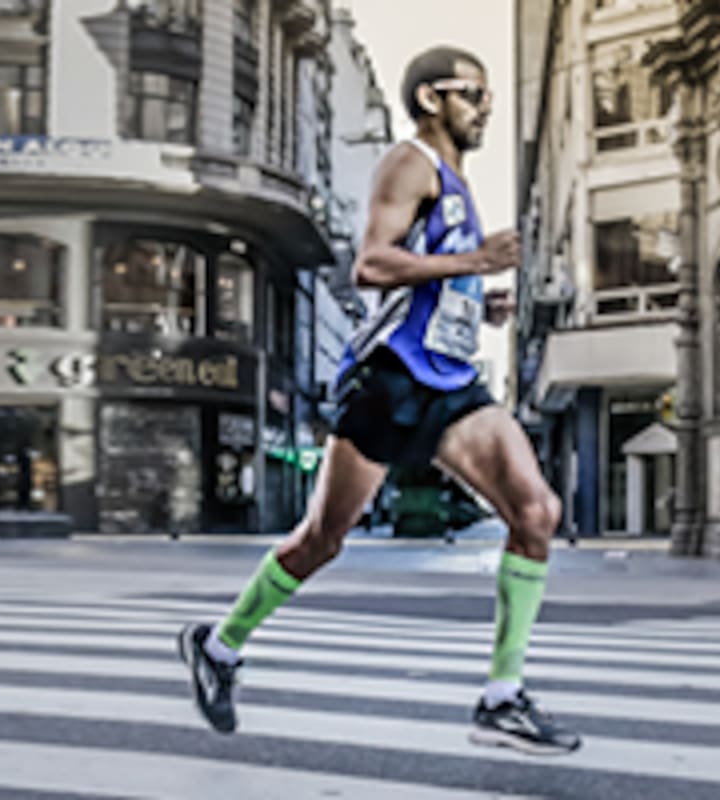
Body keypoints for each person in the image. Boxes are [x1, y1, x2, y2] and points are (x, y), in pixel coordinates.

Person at [177, 45, 581, 755]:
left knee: (536, 512)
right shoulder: (409, 161)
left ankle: (501, 698)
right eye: (474, 94)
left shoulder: (453, 179)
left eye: (487, 97)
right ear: (432, 98)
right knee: (322, 540)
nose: (485, 108)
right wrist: (474, 262)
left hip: (451, 380)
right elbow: (371, 264)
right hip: (390, 379)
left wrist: (473, 298)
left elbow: (426, 275)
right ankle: (219, 644)